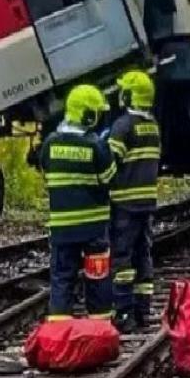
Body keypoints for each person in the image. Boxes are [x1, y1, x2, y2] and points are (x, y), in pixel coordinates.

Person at [40, 84, 116, 321]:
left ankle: (59, 330)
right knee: (98, 278)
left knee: (62, 279)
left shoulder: (50, 144)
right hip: (93, 230)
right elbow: (109, 179)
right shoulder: (96, 146)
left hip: (62, 230)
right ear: (88, 114)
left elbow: (46, 173)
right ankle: (101, 327)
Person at [107, 70, 162, 333]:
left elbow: (110, 163)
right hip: (146, 203)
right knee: (143, 256)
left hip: (124, 205)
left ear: (129, 95)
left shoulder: (123, 126)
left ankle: (124, 312)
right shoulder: (152, 127)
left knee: (122, 259)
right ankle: (143, 311)